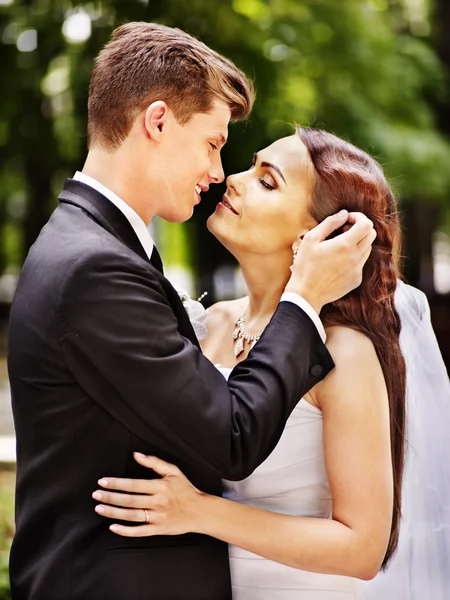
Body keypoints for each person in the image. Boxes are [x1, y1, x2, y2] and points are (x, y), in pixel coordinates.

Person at [7, 23, 375, 600]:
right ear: (156, 121)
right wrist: (304, 297)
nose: (217, 173)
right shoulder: (95, 266)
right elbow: (230, 436)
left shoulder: (98, 249)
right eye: (212, 143)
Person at [93, 127, 449, 598]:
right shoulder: (208, 326)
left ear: (317, 234)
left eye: (268, 181)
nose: (232, 179)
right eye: (250, 166)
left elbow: (362, 548)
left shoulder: (343, 353)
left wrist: (198, 511)